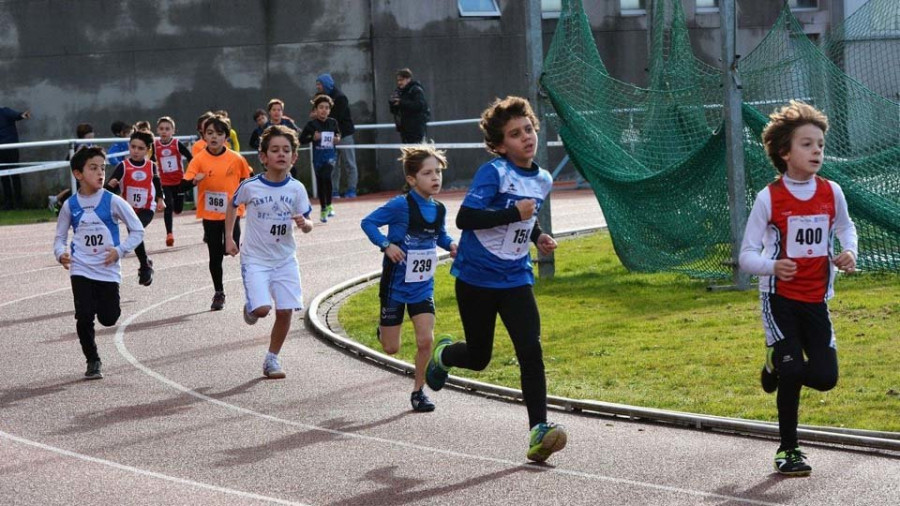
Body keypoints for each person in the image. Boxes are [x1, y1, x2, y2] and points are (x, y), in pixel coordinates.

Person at [424, 96, 566, 462]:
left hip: (516, 276)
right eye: (516, 134)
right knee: (479, 356)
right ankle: (443, 354)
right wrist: (511, 211)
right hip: (476, 278)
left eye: (529, 130)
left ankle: (539, 431)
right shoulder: (494, 173)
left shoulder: (544, 179)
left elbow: (526, 217)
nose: (526, 138)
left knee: (530, 350)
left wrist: (538, 237)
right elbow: (465, 219)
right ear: (501, 145)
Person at [739, 100, 858, 477]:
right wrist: (773, 265)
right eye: (807, 144)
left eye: (820, 144)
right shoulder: (769, 198)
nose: (816, 151)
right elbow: (746, 255)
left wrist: (849, 251)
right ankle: (788, 450)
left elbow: (845, 228)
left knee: (825, 378)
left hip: (816, 299)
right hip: (780, 299)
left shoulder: (831, 191)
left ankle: (777, 363)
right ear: (785, 152)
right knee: (793, 371)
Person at [361, 145, 457, 412]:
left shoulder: (438, 209)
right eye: (428, 173)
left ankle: (418, 392)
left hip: (422, 286)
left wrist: (451, 245)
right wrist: (385, 245)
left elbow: (439, 235)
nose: (435, 177)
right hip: (395, 285)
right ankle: (384, 330)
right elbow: (368, 222)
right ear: (412, 179)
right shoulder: (400, 205)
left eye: (438, 172)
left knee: (425, 340)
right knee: (391, 348)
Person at [226, 125, 313, 378]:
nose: (281, 154)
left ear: (294, 157)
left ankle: (272, 359)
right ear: (263, 157)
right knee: (262, 310)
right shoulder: (251, 186)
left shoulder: (296, 189)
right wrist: (229, 238)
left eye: (286, 150)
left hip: (285, 259)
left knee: (285, 311)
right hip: (255, 259)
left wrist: (304, 224)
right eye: (274, 150)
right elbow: (232, 206)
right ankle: (252, 307)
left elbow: (308, 224)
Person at [53, 147, 144, 379]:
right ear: (78, 174)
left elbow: (137, 230)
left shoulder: (113, 201)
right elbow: (60, 237)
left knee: (108, 318)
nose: (100, 173)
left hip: (107, 269)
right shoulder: (70, 206)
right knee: (84, 316)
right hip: (81, 267)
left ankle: (100, 306)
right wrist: (60, 253)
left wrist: (120, 250)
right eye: (93, 168)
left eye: (102, 168)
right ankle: (93, 360)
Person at [183, 114, 252, 311]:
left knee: (232, 247)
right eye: (210, 133)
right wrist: (194, 180)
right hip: (210, 214)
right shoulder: (199, 159)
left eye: (219, 134)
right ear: (204, 135)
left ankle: (229, 246)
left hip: (232, 212)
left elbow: (248, 179)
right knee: (215, 255)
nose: (214, 137)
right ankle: (219, 292)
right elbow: (184, 183)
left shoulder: (236, 158)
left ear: (226, 138)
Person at [106, 130, 165, 286]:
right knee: (135, 234)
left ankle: (145, 267)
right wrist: (110, 186)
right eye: (133, 147)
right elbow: (109, 187)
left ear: (147, 150)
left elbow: (157, 184)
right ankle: (145, 264)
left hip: (147, 207)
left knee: (136, 230)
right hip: (129, 210)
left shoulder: (151, 166)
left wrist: (161, 199)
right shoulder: (123, 166)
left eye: (140, 148)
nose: (136, 151)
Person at [316, 73, 359, 198]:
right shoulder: (320, 97)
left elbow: (335, 117)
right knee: (332, 164)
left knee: (349, 163)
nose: (317, 87)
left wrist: (320, 116)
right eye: (317, 84)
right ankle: (333, 190)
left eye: (319, 84)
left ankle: (352, 189)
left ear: (326, 84)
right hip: (329, 135)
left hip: (344, 135)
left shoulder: (340, 97)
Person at [153, 116, 193, 247]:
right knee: (168, 206)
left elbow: (189, 157)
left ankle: (180, 202)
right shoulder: (155, 145)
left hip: (178, 181)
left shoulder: (176, 143)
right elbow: (151, 161)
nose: (164, 131)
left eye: (167, 129)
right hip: (164, 182)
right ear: (157, 131)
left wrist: (190, 173)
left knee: (178, 209)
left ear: (173, 131)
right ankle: (169, 234)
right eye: (161, 129)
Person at [299, 95, 340, 223]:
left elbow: (338, 134)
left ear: (330, 110)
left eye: (327, 108)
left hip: (330, 156)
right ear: (316, 110)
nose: (324, 110)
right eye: (321, 107)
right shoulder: (311, 125)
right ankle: (323, 208)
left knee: (327, 176)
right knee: (321, 181)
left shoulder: (333, 122)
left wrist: (337, 139)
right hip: (318, 157)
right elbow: (301, 140)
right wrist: (313, 138)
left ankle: (329, 205)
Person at [389, 68, 430, 144]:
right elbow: (395, 111)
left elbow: (419, 105)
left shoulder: (416, 90)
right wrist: (393, 104)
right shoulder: (400, 92)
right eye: (398, 80)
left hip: (416, 128)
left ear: (408, 79)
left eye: (401, 80)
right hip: (405, 129)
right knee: (409, 153)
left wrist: (401, 102)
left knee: (418, 153)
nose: (399, 82)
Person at [0, 106, 30, 209]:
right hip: (1, 149)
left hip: (11, 148)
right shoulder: (5, 111)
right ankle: (9, 202)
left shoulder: (5, 111)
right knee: (4, 176)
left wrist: (22, 115)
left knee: (14, 175)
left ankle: (18, 202)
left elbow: (17, 115)